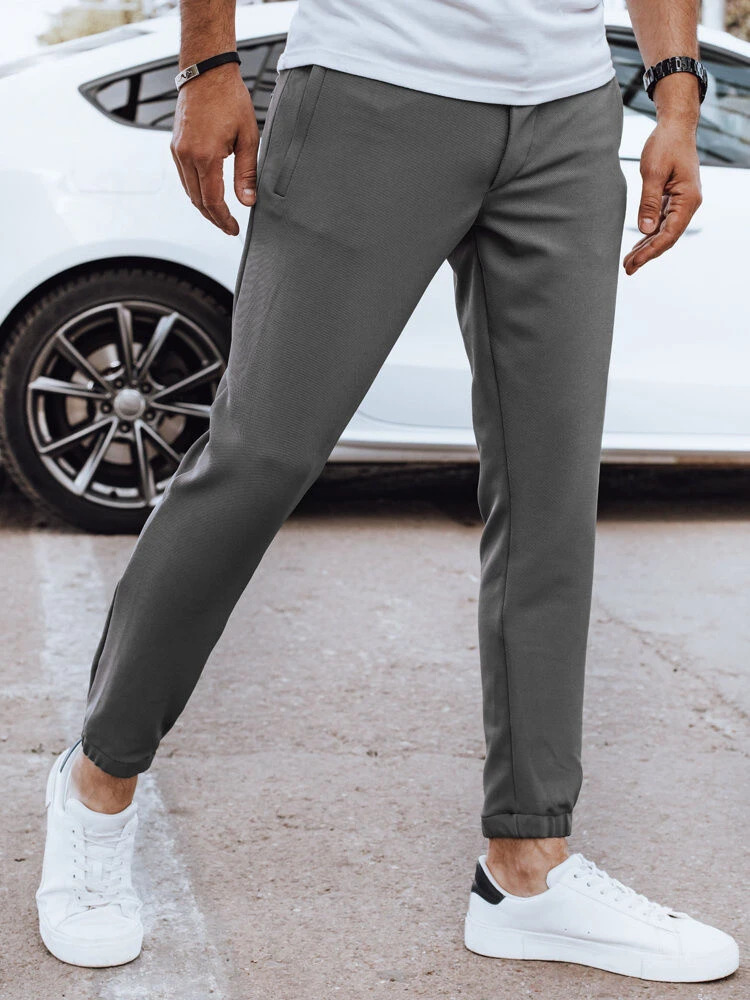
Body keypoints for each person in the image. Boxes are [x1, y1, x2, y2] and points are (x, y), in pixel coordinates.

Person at [35, 0, 739, 981]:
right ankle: (97, 785)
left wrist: (676, 99)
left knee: (551, 493)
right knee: (259, 458)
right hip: (371, 88)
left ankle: (528, 868)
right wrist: (207, 63)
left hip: (570, 116)